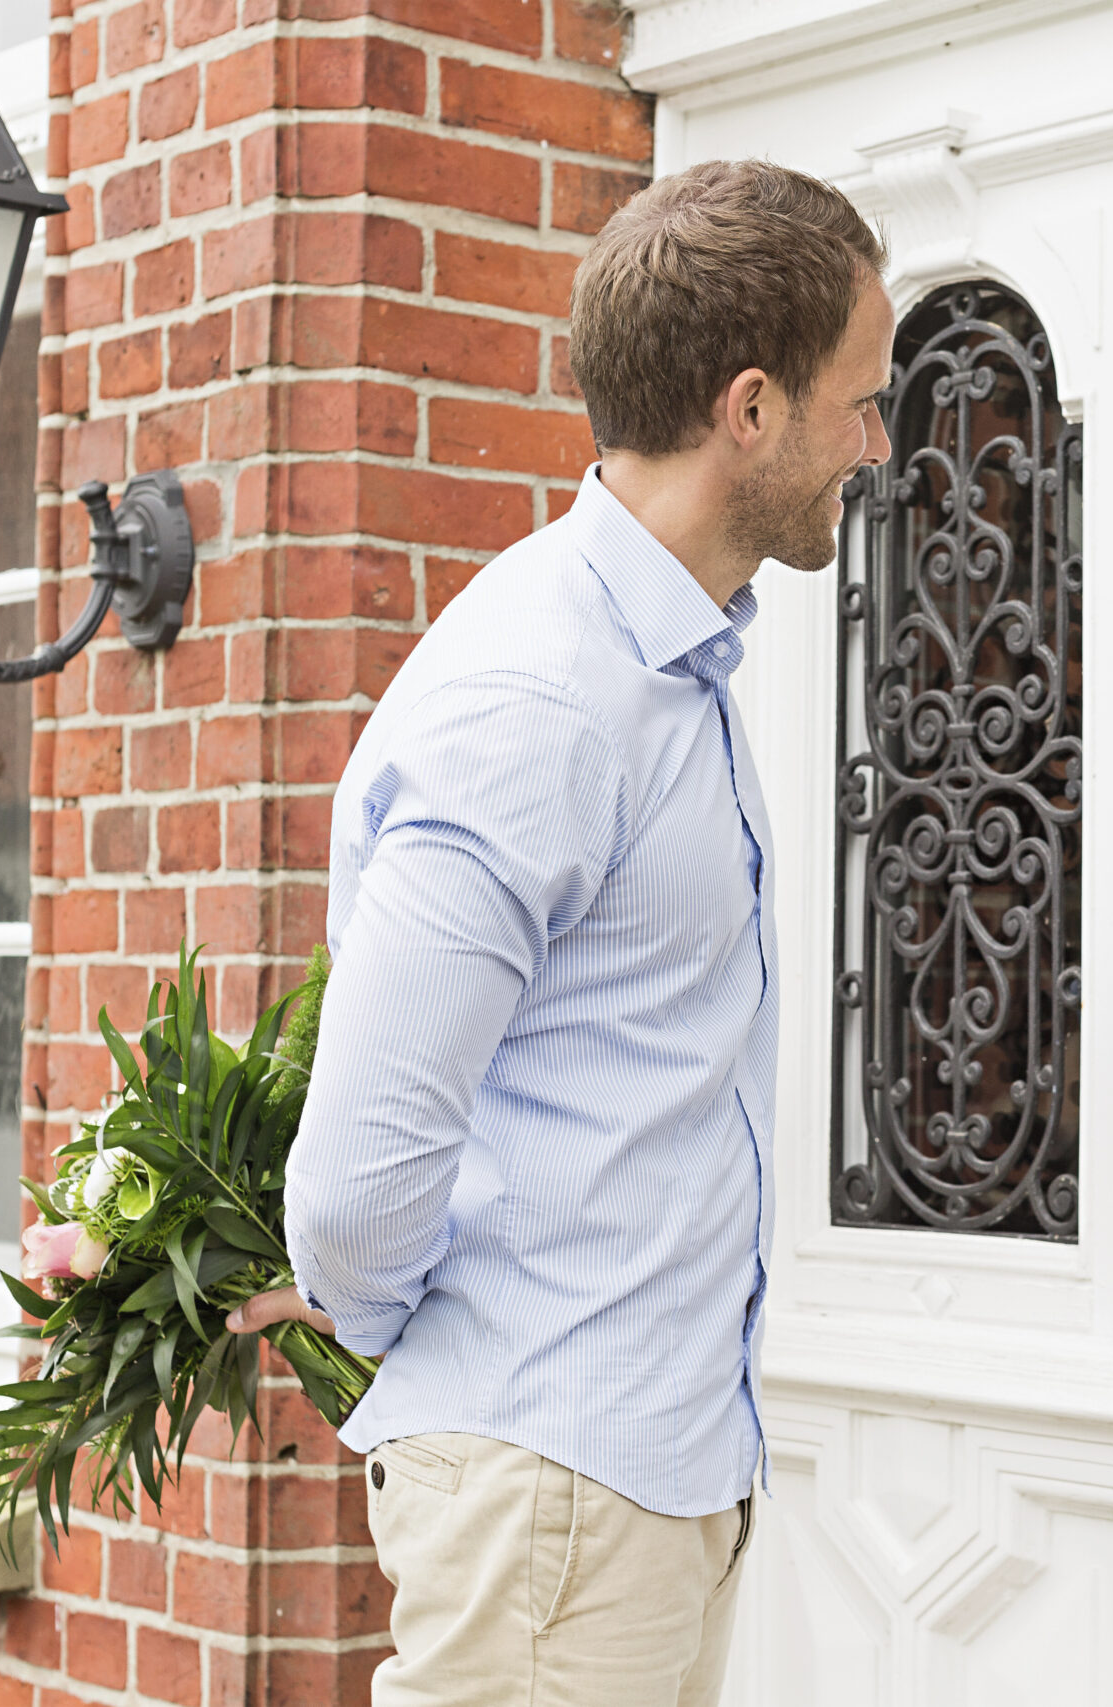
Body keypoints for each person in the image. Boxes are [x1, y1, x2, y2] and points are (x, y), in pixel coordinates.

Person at [224, 161, 895, 1706]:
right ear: (749, 408)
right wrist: (464, 1364)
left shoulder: (670, 662)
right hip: (555, 1489)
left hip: (642, 1476)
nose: (873, 440)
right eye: (858, 399)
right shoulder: (542, 697)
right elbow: (358, 1174)